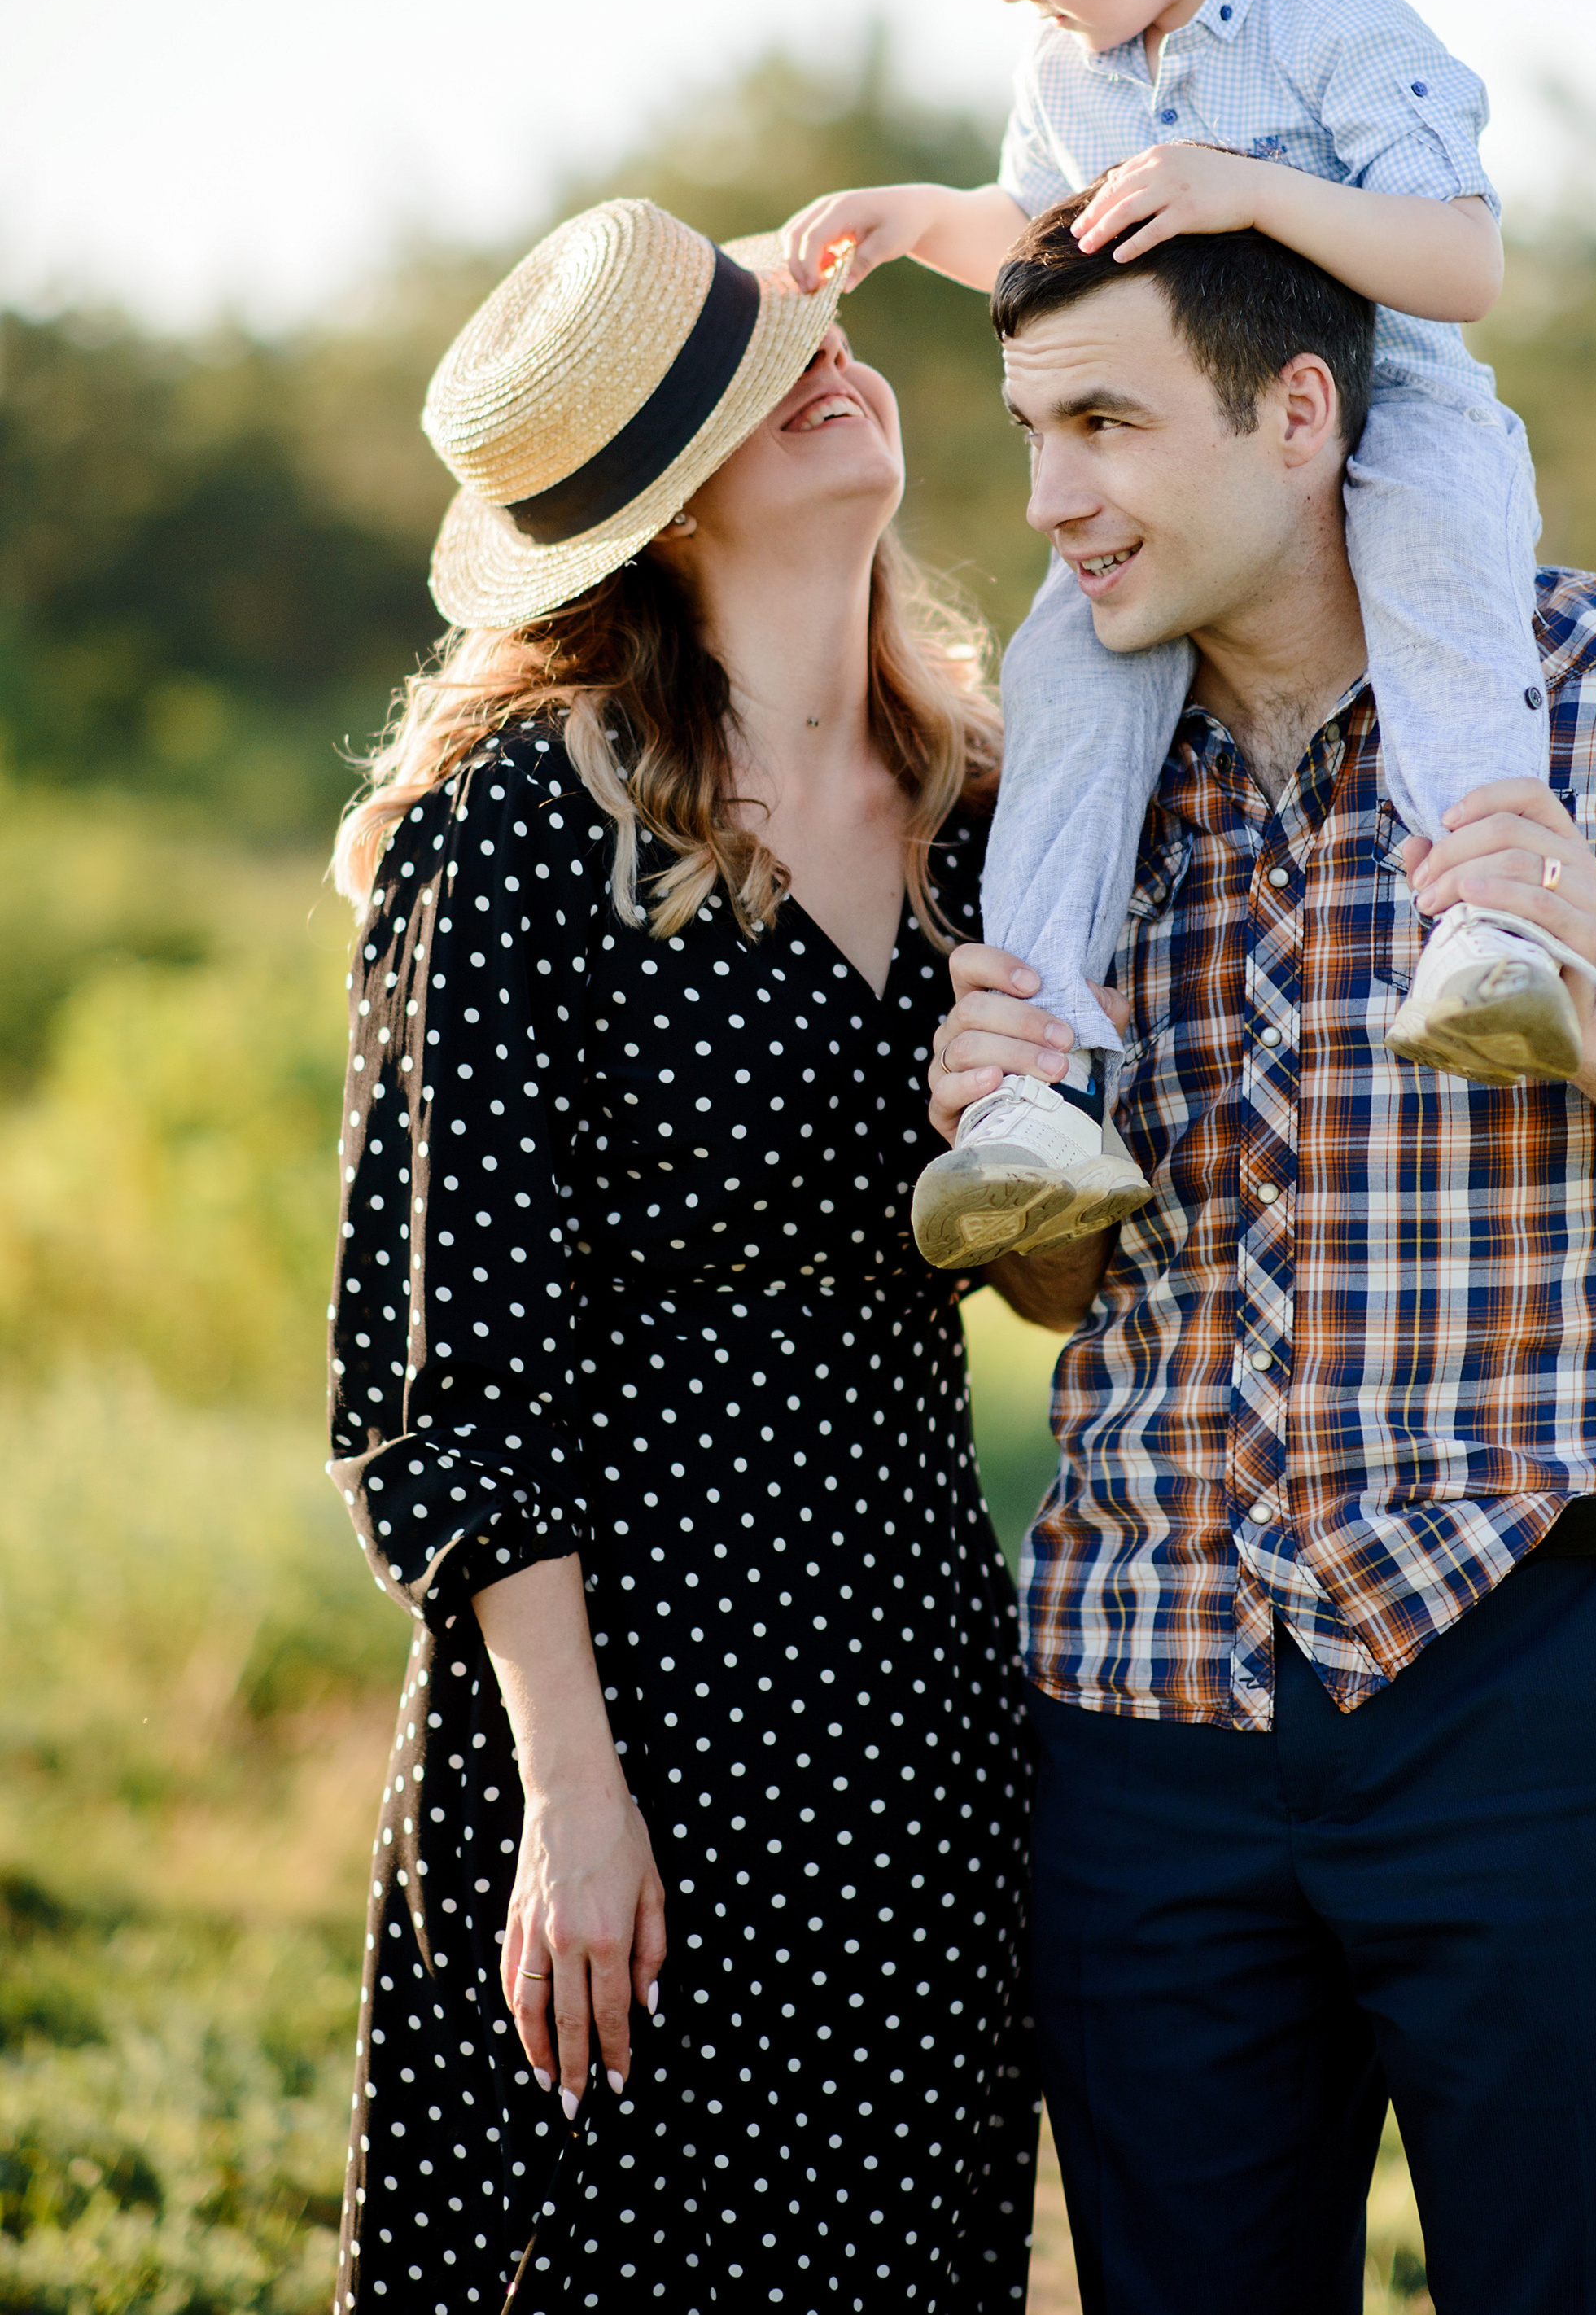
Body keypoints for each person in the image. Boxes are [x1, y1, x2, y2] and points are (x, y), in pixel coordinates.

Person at [925, 195, 1596, 2315]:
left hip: (1523, 1656)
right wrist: (1003, 1132)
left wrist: (1590, 1016)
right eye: (1032, 432)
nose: (1053, 503)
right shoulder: (1049, 780)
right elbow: (1059, 1302)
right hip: (1141, 1701)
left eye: (1108, 424)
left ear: (1300, 411)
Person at [324, 199, 1038, 2314]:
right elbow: (441, 1376)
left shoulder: (985, 800)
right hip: (618, 1697)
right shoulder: (516, 829)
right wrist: (573, 1792)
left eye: (798, 324)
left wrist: (1016, 1140)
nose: (825, 352)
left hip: (907, 1685)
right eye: (740, 369)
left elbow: (1059, 1289)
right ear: (653, 504)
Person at [781, 0, 1567, 1276]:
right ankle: (1041, 1076)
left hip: (1386, 406)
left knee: (1439, 588)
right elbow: (1050, 236)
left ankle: (1485, 924)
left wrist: (1249, 190)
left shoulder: (1338, 29)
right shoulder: (1068, 75)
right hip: (1196, 488)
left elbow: (1458, 259)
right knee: (1071, 672)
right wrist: (917, 220)